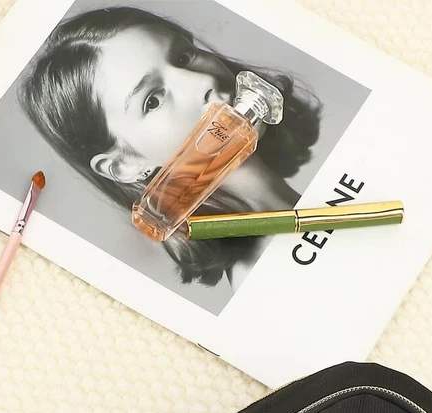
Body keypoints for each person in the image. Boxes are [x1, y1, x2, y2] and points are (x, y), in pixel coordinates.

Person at [20, 6, 322, 289]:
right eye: (152, 100)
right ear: (126, 164)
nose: (203, 81)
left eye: (183, 56)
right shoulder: (268, 278)